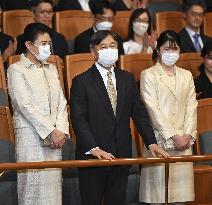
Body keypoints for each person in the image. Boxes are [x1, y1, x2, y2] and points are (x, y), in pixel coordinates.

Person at [70, 30, 169, 205]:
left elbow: (139, 113)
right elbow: (78, 119)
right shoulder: (81, 81)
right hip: (93, 158)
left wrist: (151, 142)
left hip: (121, 155)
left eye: (113, 46)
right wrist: (94, 148)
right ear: (93, 52)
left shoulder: (127, 78)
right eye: (103, 47)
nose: (109, 50)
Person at [7, 22, 69, 205]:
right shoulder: (16, 69)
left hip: (55, 141)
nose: (47, 47)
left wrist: (61, 132)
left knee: (53, 193)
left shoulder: (51, 69)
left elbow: (62, 103)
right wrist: (51, 131)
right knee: (32, 193)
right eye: (42, 43)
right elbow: (24, 105)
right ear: (28, 45)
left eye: (49, 43)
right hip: (31, 139)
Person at [139, 30, 197, 204]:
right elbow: (152, 109)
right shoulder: (148, 74)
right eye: (167, 48)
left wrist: (187, 135)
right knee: (159, 198)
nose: (171, 53)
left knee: (180, 198)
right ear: (158, 50)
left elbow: (192, 107)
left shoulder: (187, 75)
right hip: (159, 143)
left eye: (175, 49)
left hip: (184, 145)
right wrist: (173, 136)